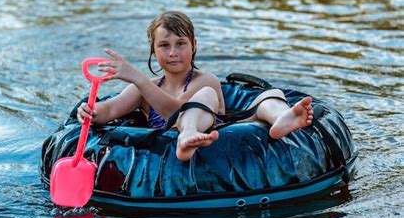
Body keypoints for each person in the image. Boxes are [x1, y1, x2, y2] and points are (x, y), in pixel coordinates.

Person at [77, 11, 313, 161]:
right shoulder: (145, 88)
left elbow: (176, 111)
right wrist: (91, 112)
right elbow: (109, 110)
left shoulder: (204, 80)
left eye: (180, 44)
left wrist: (137, 77)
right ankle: (186, 138)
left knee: (271, 94)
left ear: (194, 45)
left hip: (224, 137)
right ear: (153, 50)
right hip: (170, 154)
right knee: (196, 101)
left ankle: (282, 118)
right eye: (163, 45)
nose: (172, 53)